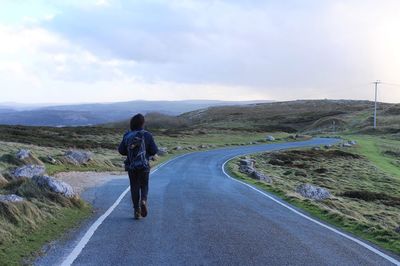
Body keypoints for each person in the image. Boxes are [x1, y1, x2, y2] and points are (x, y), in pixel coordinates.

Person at [118, 114, 158, 219]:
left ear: (132, 123)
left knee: (134, 187)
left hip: (132, 166)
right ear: (142, 123)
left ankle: (136, 210)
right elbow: (154, 150)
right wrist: (148, 154)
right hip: (144, 166)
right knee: (144, 185)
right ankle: (143, 200)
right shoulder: (147, 135)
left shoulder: (127, 135)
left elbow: (121, 151)